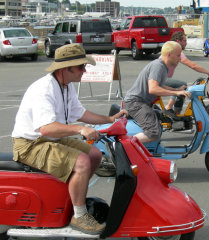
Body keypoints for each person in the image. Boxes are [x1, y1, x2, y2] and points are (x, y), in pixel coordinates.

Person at [11, 43, 127, 235]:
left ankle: (73, 200)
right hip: (30, 144)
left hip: (49, 139)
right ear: (67, 68)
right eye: (81, 66)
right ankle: (80, 216)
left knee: (95, 155)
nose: (84, 70)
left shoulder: (66, 86)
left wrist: (109, 120)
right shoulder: (44, 89)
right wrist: (81, 129)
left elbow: (79, 112)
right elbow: (46, 128)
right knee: (81, 162)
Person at [123, 41, 191, 143]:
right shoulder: (158, 66)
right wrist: (176, 93)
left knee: (160, 119)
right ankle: (124, 145)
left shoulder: (163, 66)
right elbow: (153, 89)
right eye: (177, 55)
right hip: (136, 103)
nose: (179, 58)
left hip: (140, 102)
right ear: (169, 55)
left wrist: (177, 90)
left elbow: (160, 85)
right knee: (153, 133)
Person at [163, 31, 209, 115]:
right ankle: (169, 108)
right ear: (178, 41)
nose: (186, 43)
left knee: (182, 87)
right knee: (182, 85)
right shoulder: (175, 51)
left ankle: (176, 114)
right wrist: (208, 72)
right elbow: (192, 65)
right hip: (159, 79)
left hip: (161, 78)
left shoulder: (171, 49)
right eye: (184, 41)